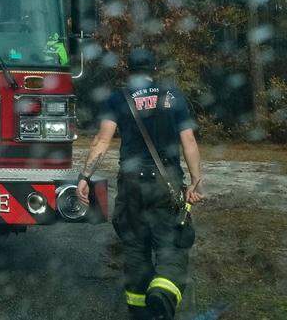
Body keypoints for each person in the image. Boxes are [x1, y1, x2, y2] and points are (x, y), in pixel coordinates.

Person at [76, 47, 205, 320]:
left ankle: (139, 309)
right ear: (154, 70)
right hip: (166, 182)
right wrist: (195, 180)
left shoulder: (118, 98)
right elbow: (189, 141)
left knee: (135, 246)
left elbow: (101, 141)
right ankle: (163, 293)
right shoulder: (172, 96)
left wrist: (84, 177)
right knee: (171, 244)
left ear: (129, 70)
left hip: (132, 183)